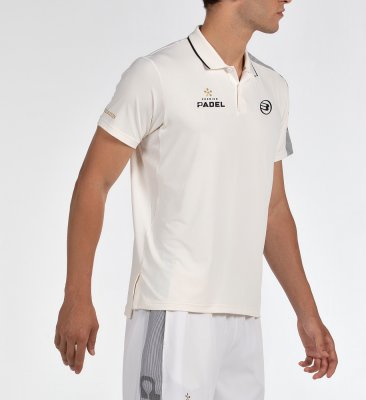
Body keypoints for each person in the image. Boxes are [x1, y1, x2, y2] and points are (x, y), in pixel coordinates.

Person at [54, 0, 338, 398]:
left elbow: (273, 210)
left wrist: (308, 314)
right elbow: (94, 182)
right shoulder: (156, 74)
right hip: (173, 314)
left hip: (244, 323)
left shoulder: (273, 89)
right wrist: (76, 295)